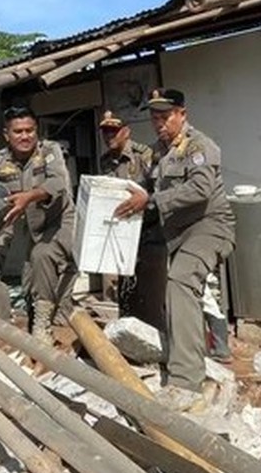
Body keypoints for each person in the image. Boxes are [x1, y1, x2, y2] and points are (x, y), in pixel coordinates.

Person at [114, 89, 235, 410]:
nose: (159, 123)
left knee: (181, 283)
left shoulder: (199, 147)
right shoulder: (156, 153)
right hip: (174, 232)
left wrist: (150, 201)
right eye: (154, 118)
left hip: (208, 227)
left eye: (165, 116)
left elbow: (200, 189)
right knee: (160, 288)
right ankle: (180, 353)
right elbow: (142, 186)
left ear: (182, 114)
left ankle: (186, 383)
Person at [0, 106, 77, 341]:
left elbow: (58, 184)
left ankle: (43, 326)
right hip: (23, 223)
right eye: (18, 131)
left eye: (30, 130)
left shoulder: (50, 151)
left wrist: (29, 196)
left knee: (42, 256)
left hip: (57, 221)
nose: (25, 136)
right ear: (6, 135)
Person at [97, 110, 164, 325]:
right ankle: (128, 327)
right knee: (124, 288)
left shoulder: (144, 155)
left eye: (114, 131)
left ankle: (153, 330)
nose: (109, 136)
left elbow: (159, 193)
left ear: (126, 131)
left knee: (150, 288)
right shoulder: (105, 161)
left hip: (149, 230)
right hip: (122, 232)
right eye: (105, 132)